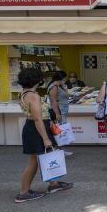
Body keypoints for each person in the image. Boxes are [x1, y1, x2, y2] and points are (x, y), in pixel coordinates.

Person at [15, 68, 73, 203]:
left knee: (48, 156)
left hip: (34, 128)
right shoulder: (33, 96)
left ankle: (54, 184)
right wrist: (45, 138)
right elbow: (37, 118)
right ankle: (23, 192)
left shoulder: (25, 93)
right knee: (34, 161)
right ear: (37, 79)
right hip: (37, 129)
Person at [47, 71, 73, 156]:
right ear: (61, 78)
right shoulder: (54, 87)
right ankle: (58, 150)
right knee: (58, 131)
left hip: (63, 110)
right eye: (65, 78)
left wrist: (65, 88)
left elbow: (66, 96)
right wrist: (57, 114)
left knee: (60, 131)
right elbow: (53, 101)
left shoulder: (59, 86)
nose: (66, 79)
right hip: (59, 111)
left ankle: (60, 150)